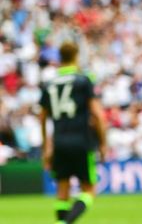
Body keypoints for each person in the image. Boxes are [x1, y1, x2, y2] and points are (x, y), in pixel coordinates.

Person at [39, 42, 107, 224]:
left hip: (59, 142)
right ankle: (64, 223)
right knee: (89, 190)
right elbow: (98, 115)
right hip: (81, 141)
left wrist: (46, 147)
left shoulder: (49, 84)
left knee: (62, 192)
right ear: (76, 56)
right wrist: (103, 143)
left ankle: (62, 220)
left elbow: (43, 117)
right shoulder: (83, 80)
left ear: (60, 58)